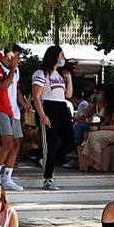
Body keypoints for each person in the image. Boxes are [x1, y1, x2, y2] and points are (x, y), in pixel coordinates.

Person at [31, 46, 75, 190]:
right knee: (50, 144)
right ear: (55, 56)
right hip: (49, 108)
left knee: (70, 142)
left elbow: (68, 95)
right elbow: (36, 96)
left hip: (62, 108)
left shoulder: (59, 75)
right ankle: (48, 178)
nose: (63, 58)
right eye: (61, 55)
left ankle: (47, 161)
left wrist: (68, 79)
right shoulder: (41, 73)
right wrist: (42, 115)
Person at [0, 45, 30, 191]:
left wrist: (24, 104)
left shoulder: (16, 70)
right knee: (7, 142)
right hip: (0, 109)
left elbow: (17, 89)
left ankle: (7, 177)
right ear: (9, 54)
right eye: (17, 55)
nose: (18, 59)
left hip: (15, 111)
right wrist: (12, 69)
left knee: (16, 144)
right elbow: (4, 86)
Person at [79, 84, 114, 172]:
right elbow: (105, 121)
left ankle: (97, 165)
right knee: (91, 135)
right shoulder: (112, 105)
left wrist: (99, 128)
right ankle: (90, 163)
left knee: (95, 137)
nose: (101, 95)